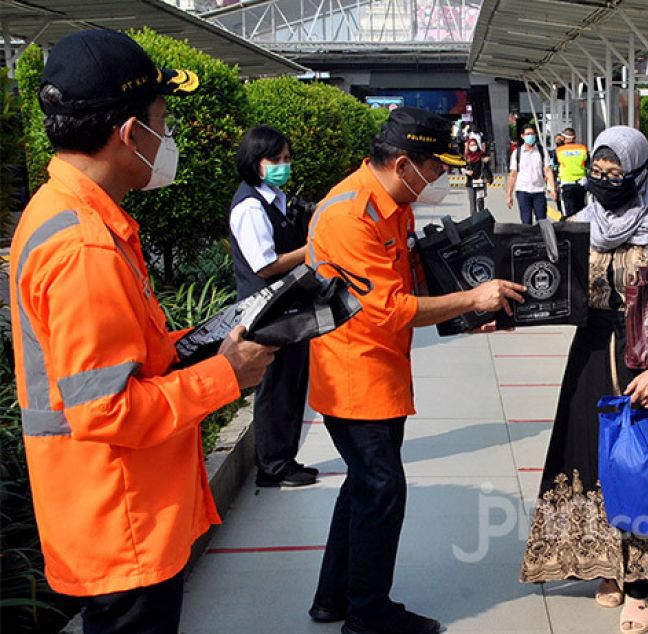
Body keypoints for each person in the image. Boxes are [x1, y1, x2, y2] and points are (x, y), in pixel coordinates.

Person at [9, 30, 275, 633]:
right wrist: (225, 372)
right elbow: (106, 410)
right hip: (122, 521)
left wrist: (198, 341)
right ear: (130, 133)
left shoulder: (63, 214)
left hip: (109, 511)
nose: (168, 137)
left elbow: (114, 360)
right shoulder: (83, 246)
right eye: (162, 121)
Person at [306, 107, 526, 634]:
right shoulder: (349, 215)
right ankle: (367, 613)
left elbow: (411, 281)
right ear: (405, 163)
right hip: (355, 375)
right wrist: (473, 296)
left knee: (364, 485)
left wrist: (467, 316)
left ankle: (332, 597)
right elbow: (389, 308)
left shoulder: (393, 204)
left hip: (380, 368)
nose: (439, 179)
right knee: (382, 490)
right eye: (434, 168)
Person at [521, 126, 648, 634]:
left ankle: (639, 584)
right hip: (589, 355)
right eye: (598, 173)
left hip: (644, 359)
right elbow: (553, 292)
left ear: (638, 173)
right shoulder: (580, 223)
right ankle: (604, 564)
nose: (605, 182)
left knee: (640, 468)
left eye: (615, 174)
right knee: (587, 458)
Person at [228, 125, 317, 488]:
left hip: (288, 307)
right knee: (276, 387)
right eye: (275, 160)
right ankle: (272, 466)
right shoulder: (250, 206)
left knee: (292, 385)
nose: (284, 165)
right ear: (255, 162)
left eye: (287, 158)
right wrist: (312, 251)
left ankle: (286, 458)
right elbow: (264, 264)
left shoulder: (274, 198)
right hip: (267, 311)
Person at [506, 123, 557, 223]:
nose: (531, 136)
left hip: (539, 191)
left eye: (533, 134)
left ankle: (541, 238)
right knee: (526, 222)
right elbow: (513, 175)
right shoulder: (517, 153)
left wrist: (553, 189)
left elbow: (548, 170)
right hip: (523, 191)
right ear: (522, 136)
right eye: (528, 134)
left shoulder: (542, 151)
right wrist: (509, 194)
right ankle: (528, 239)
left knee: (542, 221)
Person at [555, 127, 590, 217]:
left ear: (563, 138)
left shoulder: (559, 150)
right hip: (581, 184)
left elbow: (555, 166)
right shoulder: (583, 149)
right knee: (581, 210)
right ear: (575, 138)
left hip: (566, 183)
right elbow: (588, 165)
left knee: (569, 213)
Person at [462, 136, 493, 216]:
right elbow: (461, 167)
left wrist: (488, 160)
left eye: (474, 144)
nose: (473, 147)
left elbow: (489, 165)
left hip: (481, 181)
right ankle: (473, 220)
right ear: (468, 146)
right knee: (472, 202)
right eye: (471, 145)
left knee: (480, 201)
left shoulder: (482, 154)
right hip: (470, 182)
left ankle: (481, 217)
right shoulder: (466, 156)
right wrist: (466, 172)